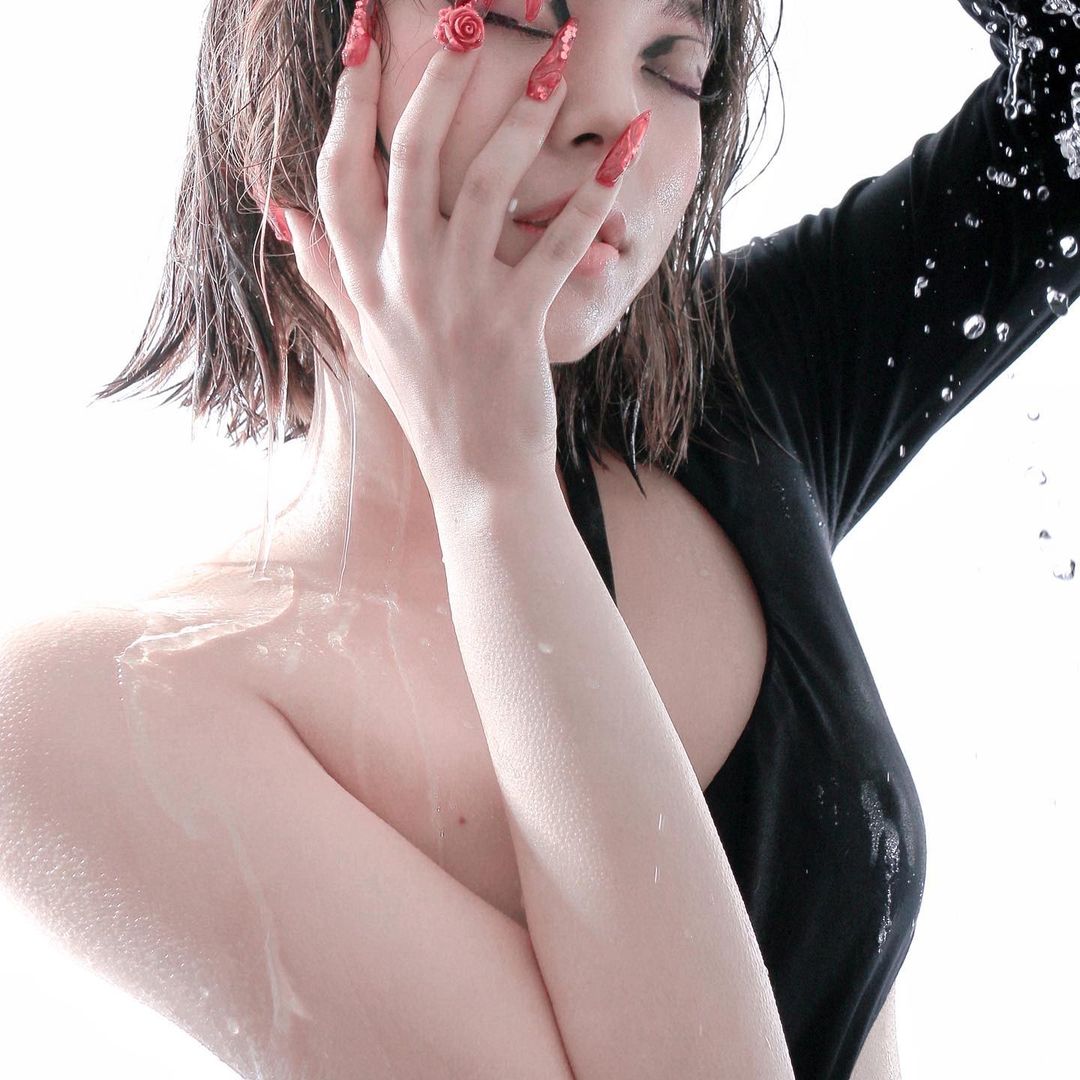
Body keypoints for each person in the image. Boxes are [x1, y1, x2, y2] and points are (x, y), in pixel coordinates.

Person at [0, 1, 1076, 1078]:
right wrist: (491, 482)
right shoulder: (97, 705)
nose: (609, 110)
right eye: (520, 14)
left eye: (672, 61)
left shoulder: (735, 402)